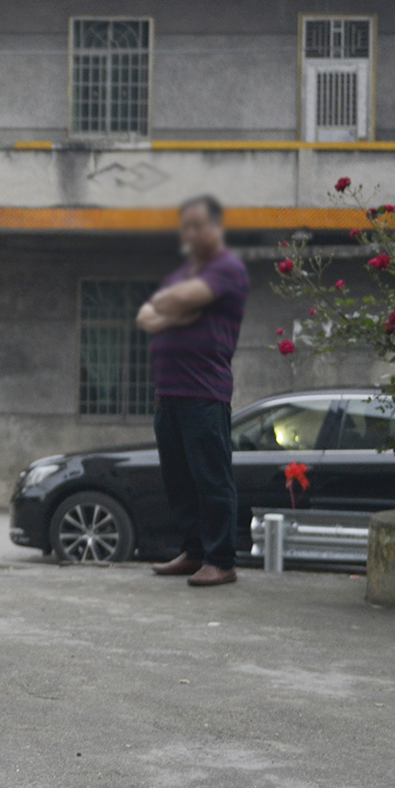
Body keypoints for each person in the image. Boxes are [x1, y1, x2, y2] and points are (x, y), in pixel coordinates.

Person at [136, 194, 251, 587]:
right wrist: (178, 309)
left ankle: (221, 560)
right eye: (186, 226)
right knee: (179, 482)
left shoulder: (227, 269)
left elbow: (174, 301)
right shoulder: (184, 274)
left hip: (204, 394)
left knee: (211, 480)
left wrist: (174, 306)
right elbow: (147, 315)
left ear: (216, 227)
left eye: (199, 225)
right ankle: (195, 552)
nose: (191, 233)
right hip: (167, 394)